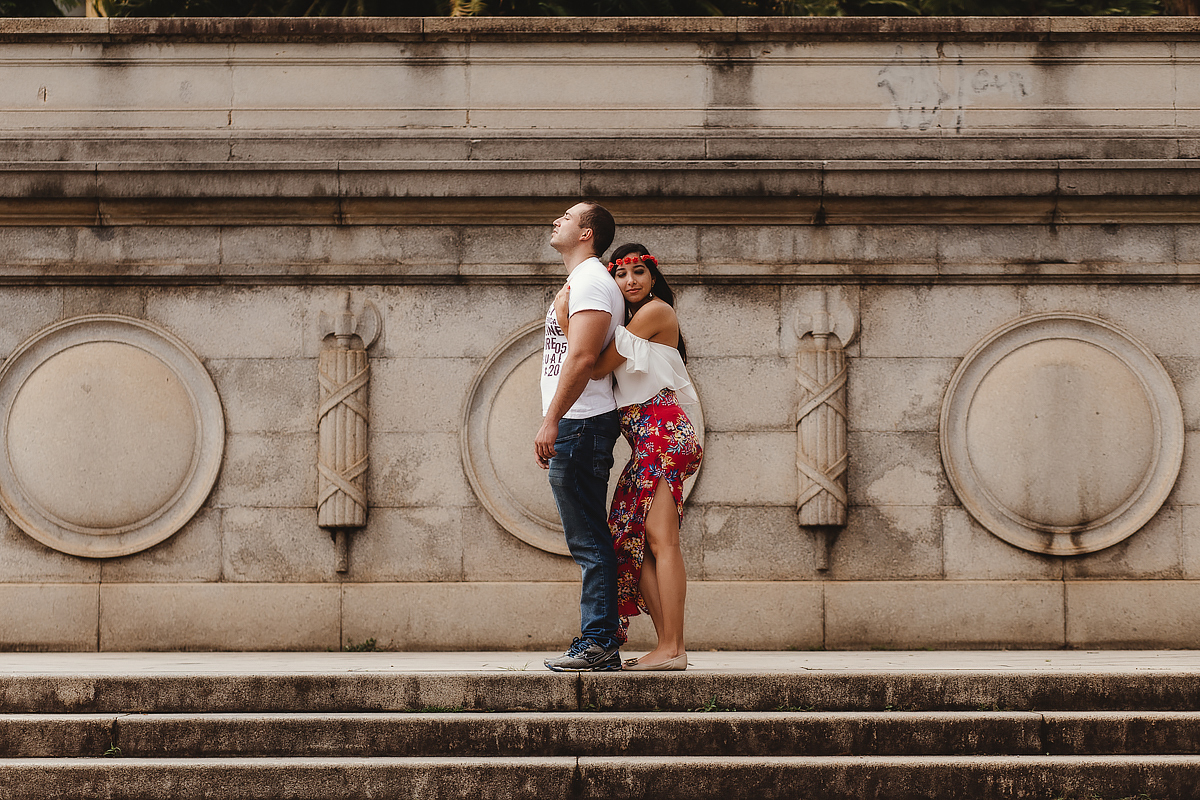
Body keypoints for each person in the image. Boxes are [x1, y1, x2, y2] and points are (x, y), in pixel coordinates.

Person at [554, 243, 703, 671]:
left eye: (639, 272)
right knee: (630, 541)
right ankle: (668, 645)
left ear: (653, 278)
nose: (630, 280)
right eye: (620, 274)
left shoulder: (655, 312)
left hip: (663, 436)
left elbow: (596, 365)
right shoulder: (632, 323)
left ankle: (673, 648)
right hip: (648, 443)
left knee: (661, 541)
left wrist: (565, 316)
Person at [536, 201, 626, 673]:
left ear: (587, 233)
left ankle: (599, 642)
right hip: (578, 422)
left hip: (581, 422)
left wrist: (552, 420)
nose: (557, 220)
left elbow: (584, 358)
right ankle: (599, 640)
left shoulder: (591, 280)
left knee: (589, 539)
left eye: (568, 217)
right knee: (588, 537)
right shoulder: (583, 280)